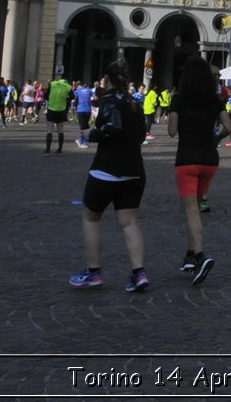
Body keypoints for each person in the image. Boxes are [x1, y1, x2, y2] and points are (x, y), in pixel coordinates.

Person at [69, 61, 150, 292]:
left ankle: (93, 272)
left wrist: (91, 133)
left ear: (108, 80)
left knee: (90, 218)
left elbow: (112, 128)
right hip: (134, 171)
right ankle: (139, 272)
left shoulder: (108, 100)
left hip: (107, 169)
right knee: (129, 222)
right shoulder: (135, 104)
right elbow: (141, 134)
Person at [169, 57, 231, 286]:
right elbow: (229, 127)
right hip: (209, 159)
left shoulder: (179, 99)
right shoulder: (214, 100)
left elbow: (171, 131)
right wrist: (215, 139)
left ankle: (199, 256)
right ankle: (190, 254)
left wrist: (175, 113)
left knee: (190, 211)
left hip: (187, 159)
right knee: (194, 209)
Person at [44, 70, 72, 155]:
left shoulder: (52, 84)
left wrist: (51, 99)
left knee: (49, 130)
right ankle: (59, 150)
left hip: (51, 109)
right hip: (61, 110)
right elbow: (72, 97)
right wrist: (65, 99)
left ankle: (47, 150)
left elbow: (46, 95)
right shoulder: (68, 87)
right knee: (60, 130)